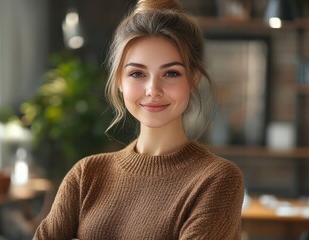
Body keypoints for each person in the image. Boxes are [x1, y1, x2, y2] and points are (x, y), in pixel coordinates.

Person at [33, 0, 244, 239]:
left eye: (171, 73)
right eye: (137, 74)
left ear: (193, 79)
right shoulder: (85, 175)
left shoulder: (217, 179)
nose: (153, 89)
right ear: (119, 82)